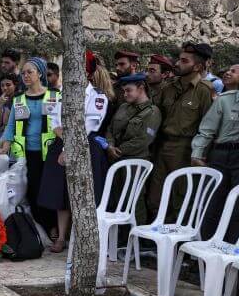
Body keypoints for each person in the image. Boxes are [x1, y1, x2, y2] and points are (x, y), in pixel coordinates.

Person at [38, 61, 112, 252]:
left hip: (85, 146)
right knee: (60, 193)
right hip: (61, 142)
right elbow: (54, 119)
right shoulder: (61, 92)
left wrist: (69, 146)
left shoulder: (98, 96)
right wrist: (62, 136)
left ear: (86, 74)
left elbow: (89, 125)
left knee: (85, 192)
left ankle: (82, 238)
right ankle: (61, 237)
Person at [150, 42, 215, 221]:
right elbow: (156, 115)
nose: (177, 64)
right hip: (162, 146)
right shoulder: (168, 87)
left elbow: (208, 125)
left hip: (185, 148)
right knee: (156, 195)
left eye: (184, 61)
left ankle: (179, 242)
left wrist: (200, 154)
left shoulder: (204, 91)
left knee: (182, 195)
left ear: (198, 66)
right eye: (179, 59)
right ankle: (157, 238)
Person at [0, 57, 60, 238]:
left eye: (29, 72)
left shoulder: (54, 95)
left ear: (40, 73)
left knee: (48, 190)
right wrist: (4, 143)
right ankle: (41, 228)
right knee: (32, 191)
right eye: (23, 72)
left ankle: (53, 227)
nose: (25, 75)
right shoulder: (18, 99)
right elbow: (10, 126)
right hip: (26, 152)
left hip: (50, 152)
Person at [105, 73, 161, 224]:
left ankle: (138, 235)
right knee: (117, 197)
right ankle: (122, 237)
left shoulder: (152, 111)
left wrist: (118, 150)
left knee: (134, 198)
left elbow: (143, 140)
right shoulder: (123, 107)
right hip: (115, 159)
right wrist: (110, 145)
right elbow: (110, 128)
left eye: (128, 90)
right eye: (124, 91)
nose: (125, 94)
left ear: (141, 88)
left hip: (136, 160)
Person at [192, 62, 239, 242]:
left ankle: (230, 256)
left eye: (233, 71)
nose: (227, 72)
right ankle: (202, 256)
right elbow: (207, 129)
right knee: (212, 203)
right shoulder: (224, 99)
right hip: (220, 155)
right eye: (228, 69)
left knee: (236, 208)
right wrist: (197, 153)